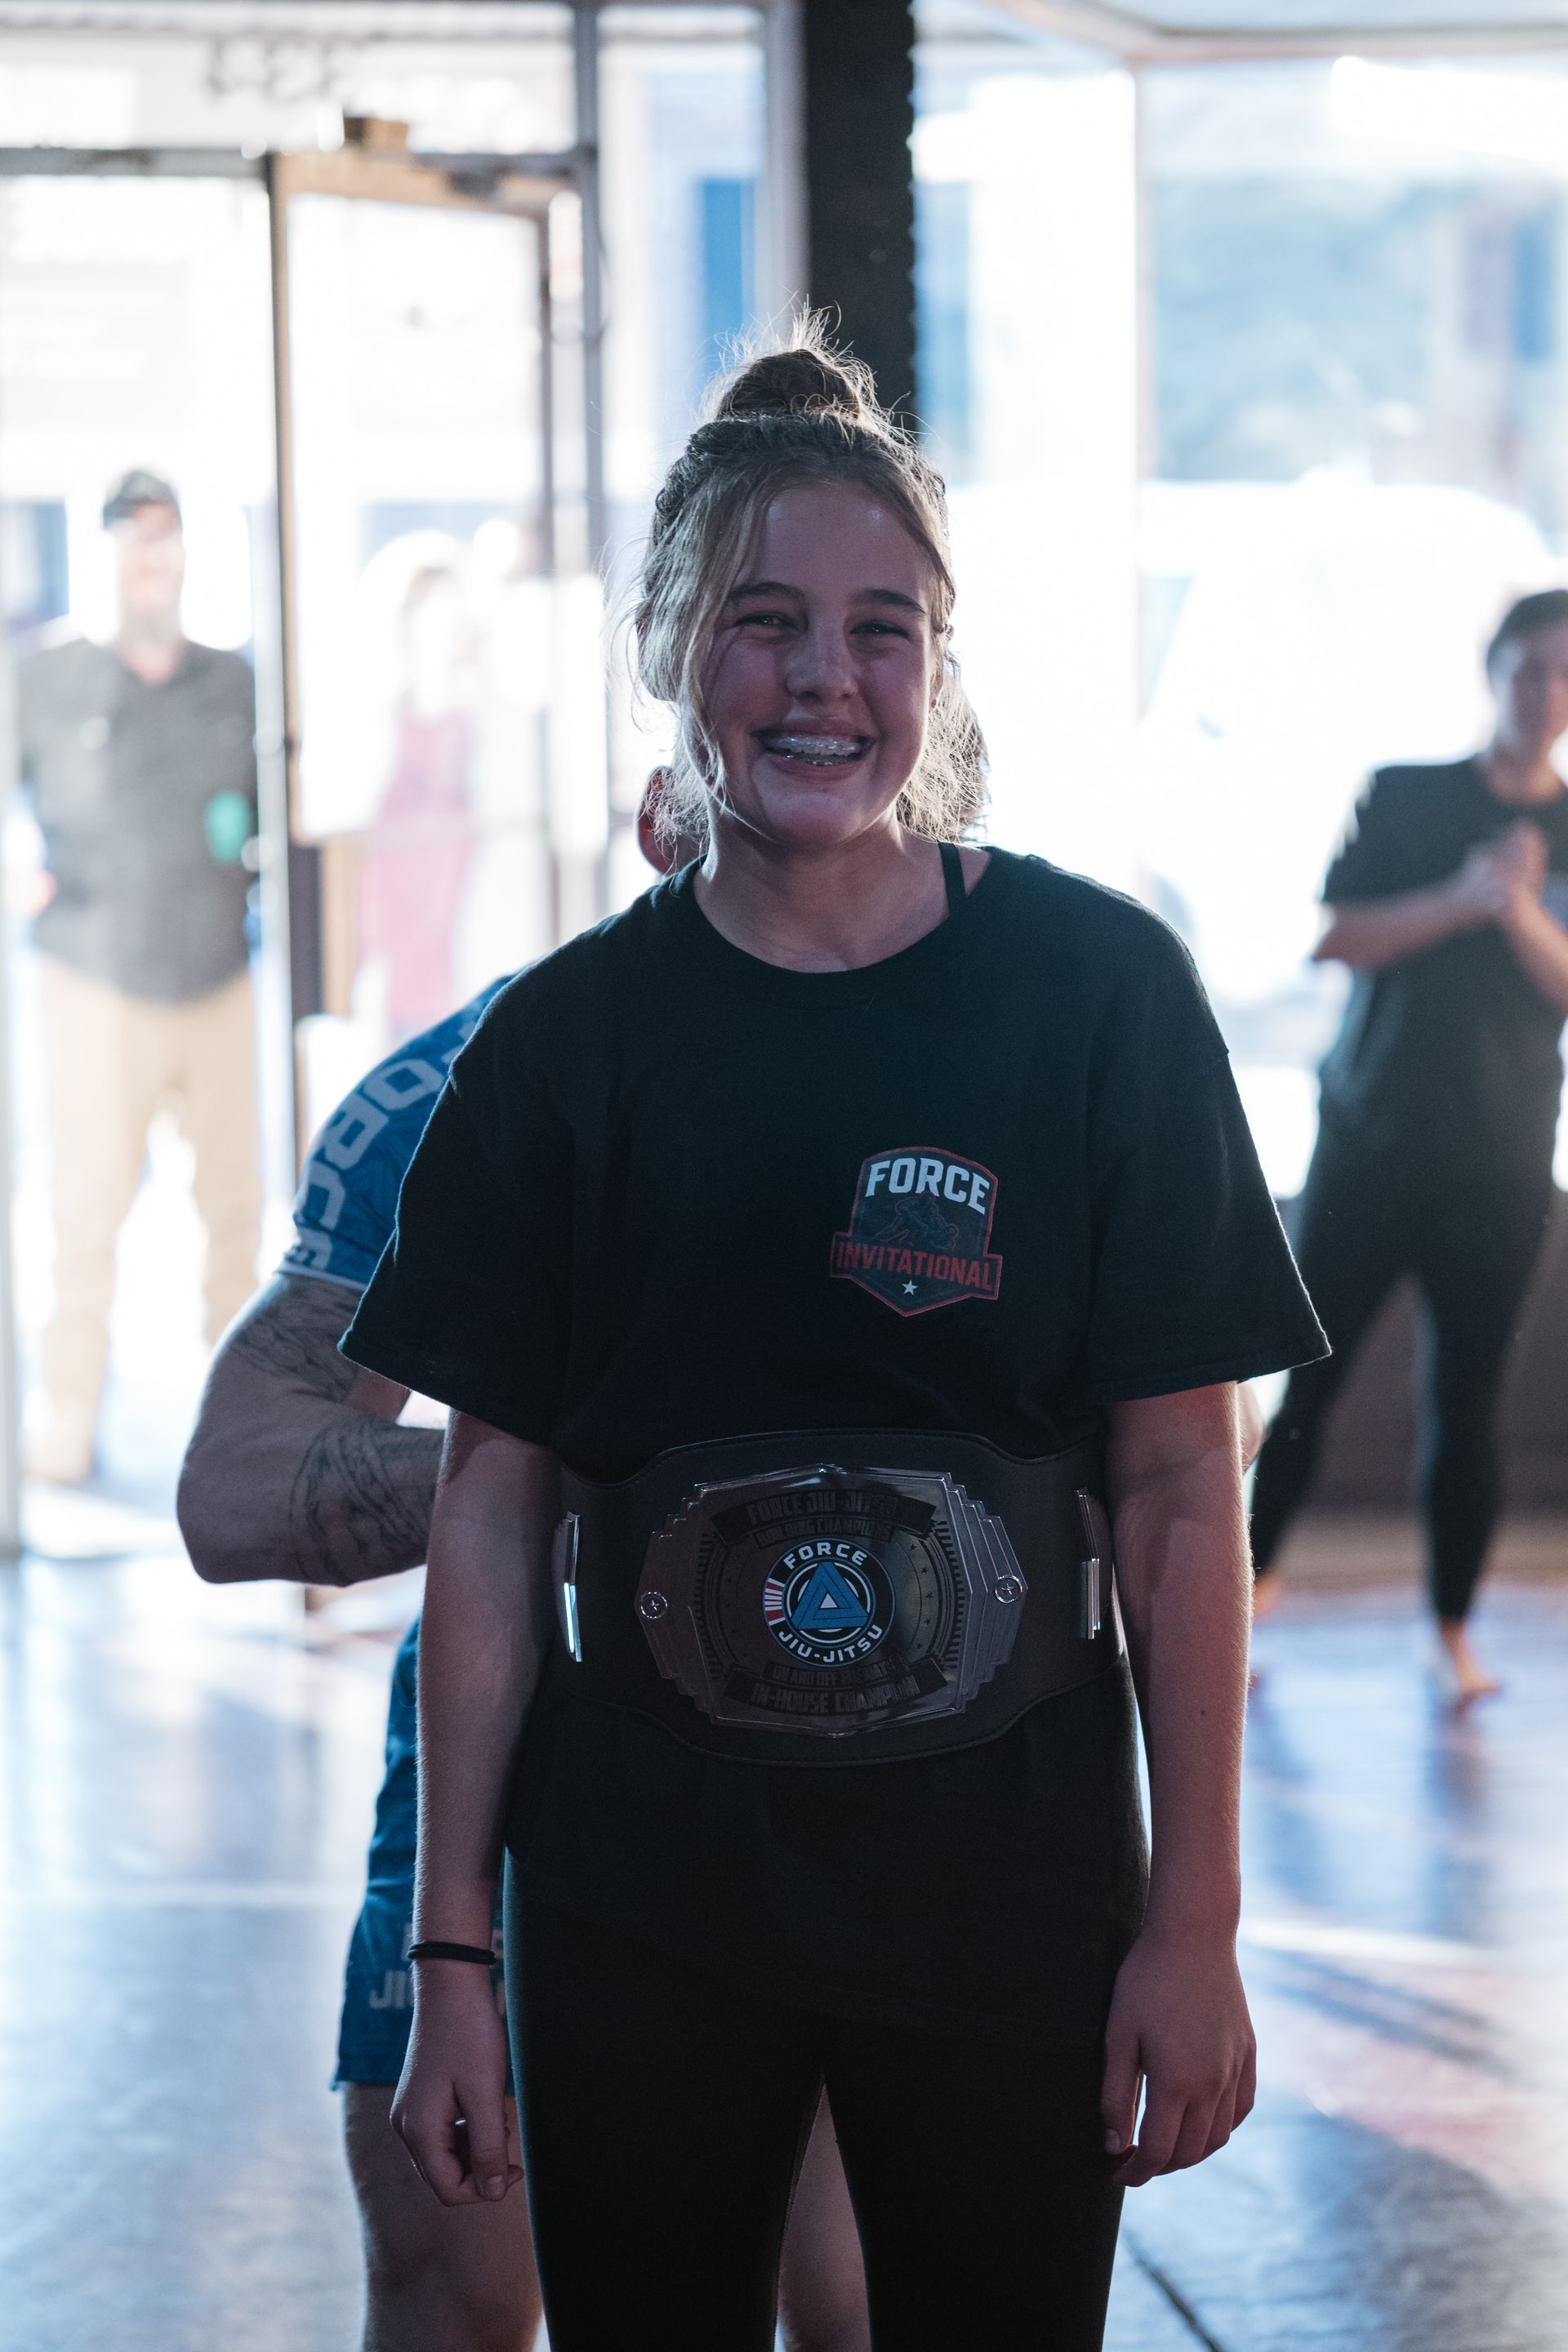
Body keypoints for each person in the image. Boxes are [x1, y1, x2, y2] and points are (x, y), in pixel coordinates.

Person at [338, 328, 1326, 2351]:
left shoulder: (1095, 995)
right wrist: (455, 1952)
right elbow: (493, 1511)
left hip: (1008, 1868)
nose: (824, 680)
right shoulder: (561, 1047)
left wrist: (1195, 1919)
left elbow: (1171, 1485)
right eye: (764, 621)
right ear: (672, 655)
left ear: (937, 670)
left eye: (884, 630)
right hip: (640, 1892)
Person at [177, 782, 871, 2352]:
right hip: (510, 1794)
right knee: (453, 2292)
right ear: (662, 821)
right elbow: (232, 1491)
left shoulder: (989, 1037)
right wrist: (614, 1482)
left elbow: (1197, 1427)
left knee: (857, 2304)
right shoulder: (498, 1067)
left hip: (856, 1784)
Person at [1250, 589, 1568, 1703]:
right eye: (1530, 669)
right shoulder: (1407, 795)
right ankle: (1246, 1591)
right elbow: (1336, 936)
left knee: (1467, 1399)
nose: (1546, 695)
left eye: (1566, 675)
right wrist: (1466, 896)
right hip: (1369, 1146)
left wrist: (1519, 911)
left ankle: (1451, 1629)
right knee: (1310, 1382)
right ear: (1494, 672)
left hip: (1503, 1164)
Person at [16, 469, 261, 1483]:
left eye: (164, 539)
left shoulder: (234, 680)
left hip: (216, 970)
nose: (149, 560)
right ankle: (64, 1426)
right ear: (105, 554)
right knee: (87, 1215)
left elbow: (260, 816)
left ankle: (242, 1432)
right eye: (131, 541)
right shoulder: (42, 679)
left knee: (238, 1224)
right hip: (93, 977)